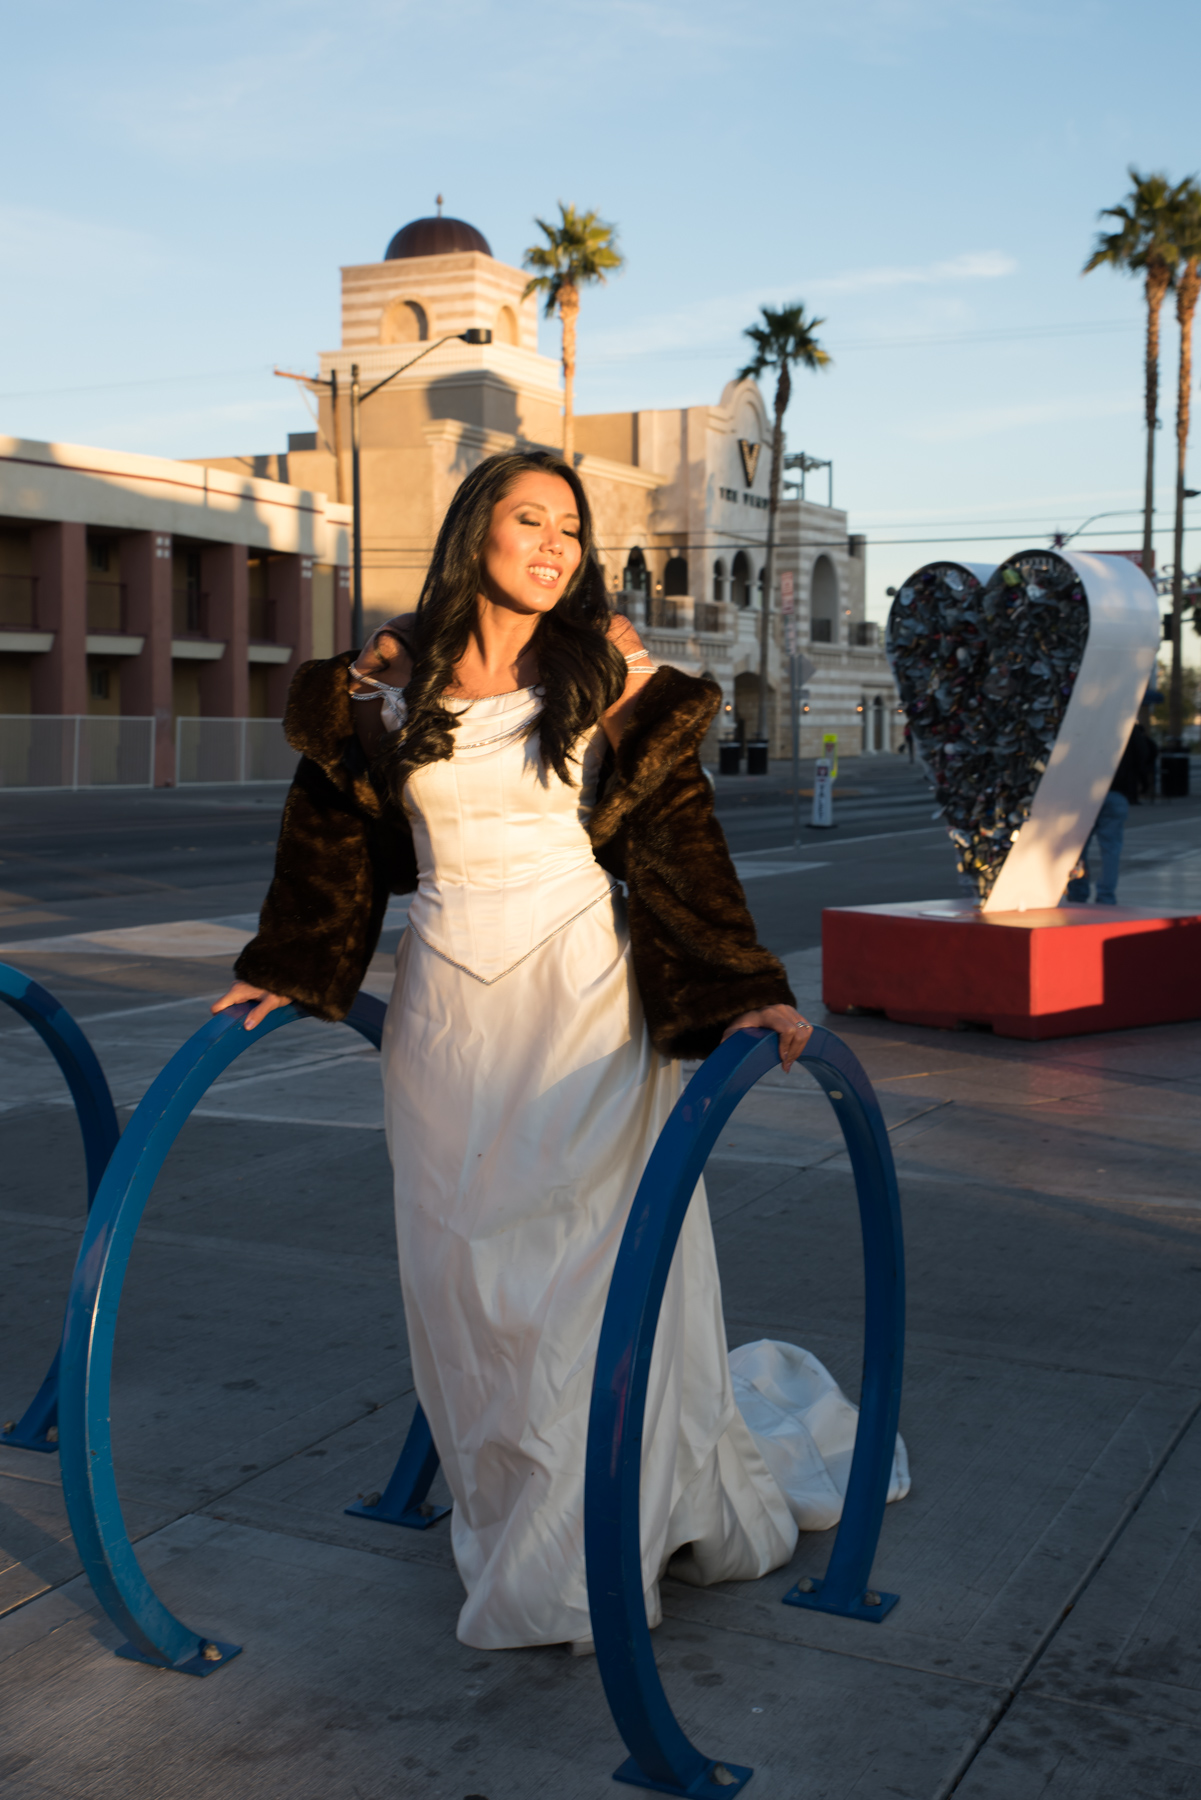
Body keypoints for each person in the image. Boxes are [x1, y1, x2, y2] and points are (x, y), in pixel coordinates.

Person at [212, 450, 907, 1652]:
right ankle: (512, 1508)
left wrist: (747, 988)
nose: (552, 544)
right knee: (465, 1282)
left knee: (582, 1286)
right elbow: (329, 839)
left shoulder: (606, 675)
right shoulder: (389, 686)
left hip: (583, 1002)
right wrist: (288, 962)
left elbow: (679, 843)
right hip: (443, 1014)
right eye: (529, 519)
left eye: (571, 530)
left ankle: (583, 1559)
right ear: (475, 529)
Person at [1065, 719, 1158, 905]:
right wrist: (1139, 782)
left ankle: (1078, 891)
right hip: (1118, 793)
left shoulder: (1090, 727)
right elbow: (1146, 754)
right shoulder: (1132, 733)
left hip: (1087, 794)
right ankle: (1106, 896)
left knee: (1078, 849)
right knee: (1111, 850)